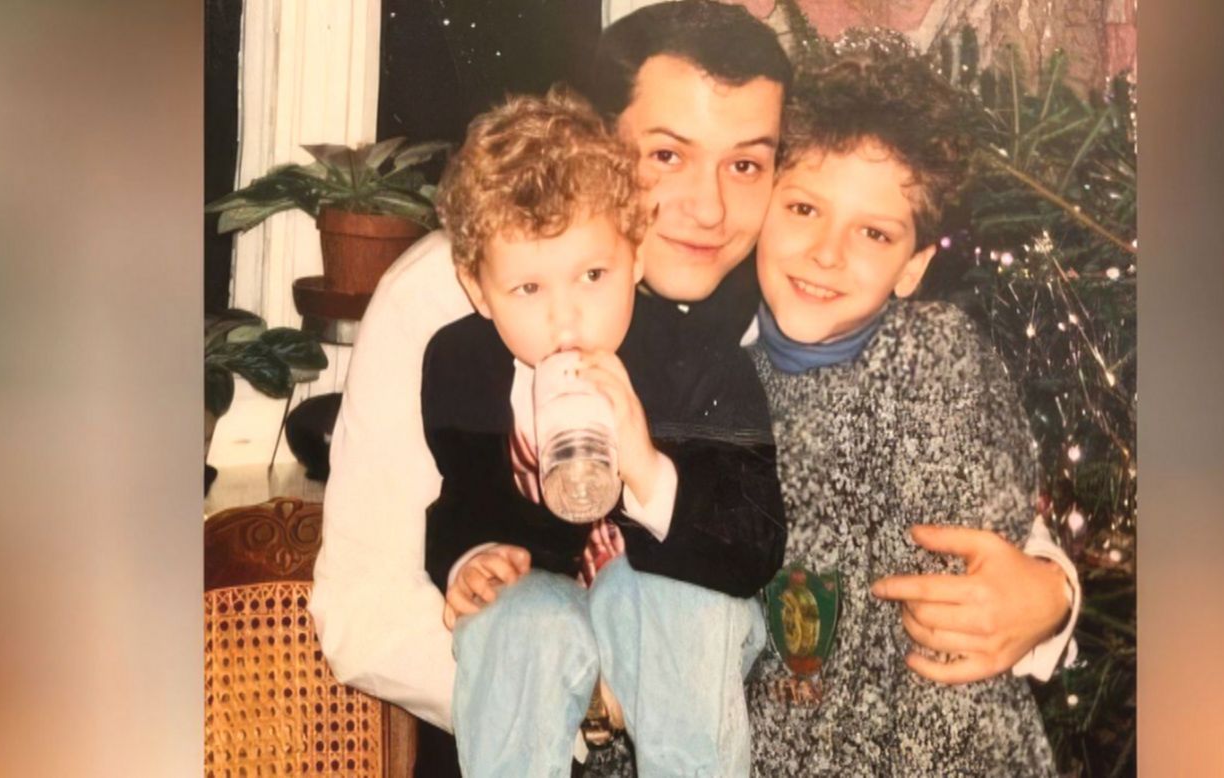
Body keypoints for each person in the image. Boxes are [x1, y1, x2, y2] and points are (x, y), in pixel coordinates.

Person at [309, 1, 1076, 773]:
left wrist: (1050, 594)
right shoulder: (444, 300)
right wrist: (589, 696)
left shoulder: (790, 284)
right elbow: (362, 615)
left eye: (744, 165)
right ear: (600, 146)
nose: (708, 209)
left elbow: (935, 472)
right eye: (668, 155)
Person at [421, 88, 783, 778]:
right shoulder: (460, 366)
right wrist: (472, 559)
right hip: (560, 615)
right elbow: (461, 496)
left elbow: (755, 543)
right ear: (477, 289)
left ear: (636, 254)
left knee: (654, 596)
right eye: (529, 289)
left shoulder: (700, 364)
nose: (567, 319)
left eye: (593, 274)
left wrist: (647, 466)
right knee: (513, 619)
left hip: (687, 614)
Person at [742, 33, 1056, 775]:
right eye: (804, 208)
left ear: (912, 267)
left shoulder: (936, 360)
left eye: (873, 232)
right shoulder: (708, 374)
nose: (827, 253)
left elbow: (950, 626)